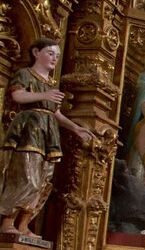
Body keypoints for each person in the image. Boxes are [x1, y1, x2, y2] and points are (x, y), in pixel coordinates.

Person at [0, 38, 92, 237]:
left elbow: (56, 114)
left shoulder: (51, 84)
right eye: (50, 53)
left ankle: (23, 225)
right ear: (35, 52)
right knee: (27, 177)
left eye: (57, 56)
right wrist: (44, 96)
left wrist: (76, 128)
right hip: (29, 132)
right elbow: (17, 96)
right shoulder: (25, 74)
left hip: (48, 135)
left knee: (43, 181)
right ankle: (7, 221)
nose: (55, 59)